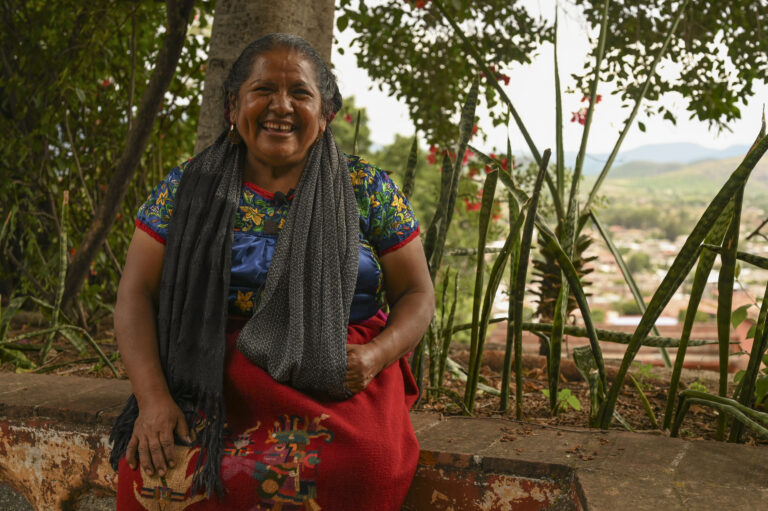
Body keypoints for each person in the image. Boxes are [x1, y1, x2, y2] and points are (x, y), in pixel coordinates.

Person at [109, 33, 434, 510]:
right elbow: (135, 293)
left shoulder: (367, 187)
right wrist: (155, 401)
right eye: (263, 90)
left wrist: (376, 356)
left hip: (335, 367)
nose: (280, 105)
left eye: (300, 93)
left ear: (325, 116)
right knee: (158, 474)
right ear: (232, 108)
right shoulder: (186, 188)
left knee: (364, 467)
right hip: (211, 372)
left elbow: (417, 294)